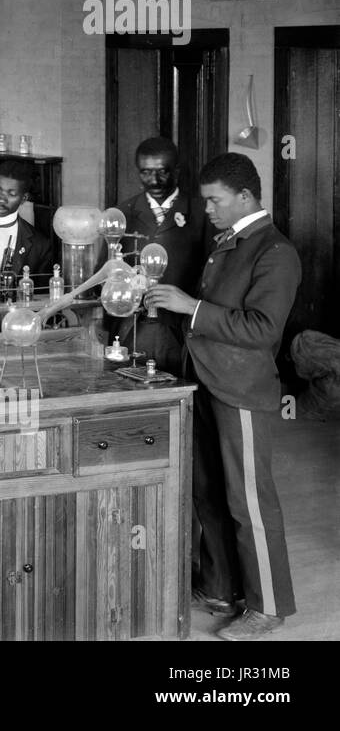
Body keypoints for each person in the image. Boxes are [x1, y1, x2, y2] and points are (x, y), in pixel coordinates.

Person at [147, 152, 300, 641]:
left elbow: (260, 328)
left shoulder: (274, 251)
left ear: (245, 197)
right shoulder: (228, 242)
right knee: (209, 493)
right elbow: (210, 316)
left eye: (214, 200)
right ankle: (220, 588)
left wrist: (189, 306)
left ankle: (268, 607)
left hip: (242, 390)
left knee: (251, 503)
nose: (208, 209)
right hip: (209, 381)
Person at [117, 136, 213, 372]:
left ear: (177, 171)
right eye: (146, 173)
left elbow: (213, 272)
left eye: (162, 172)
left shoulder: (202, 212)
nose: (154, 180)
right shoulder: (123, 213)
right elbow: (109, 272)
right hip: (134, 330)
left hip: (184, 331)